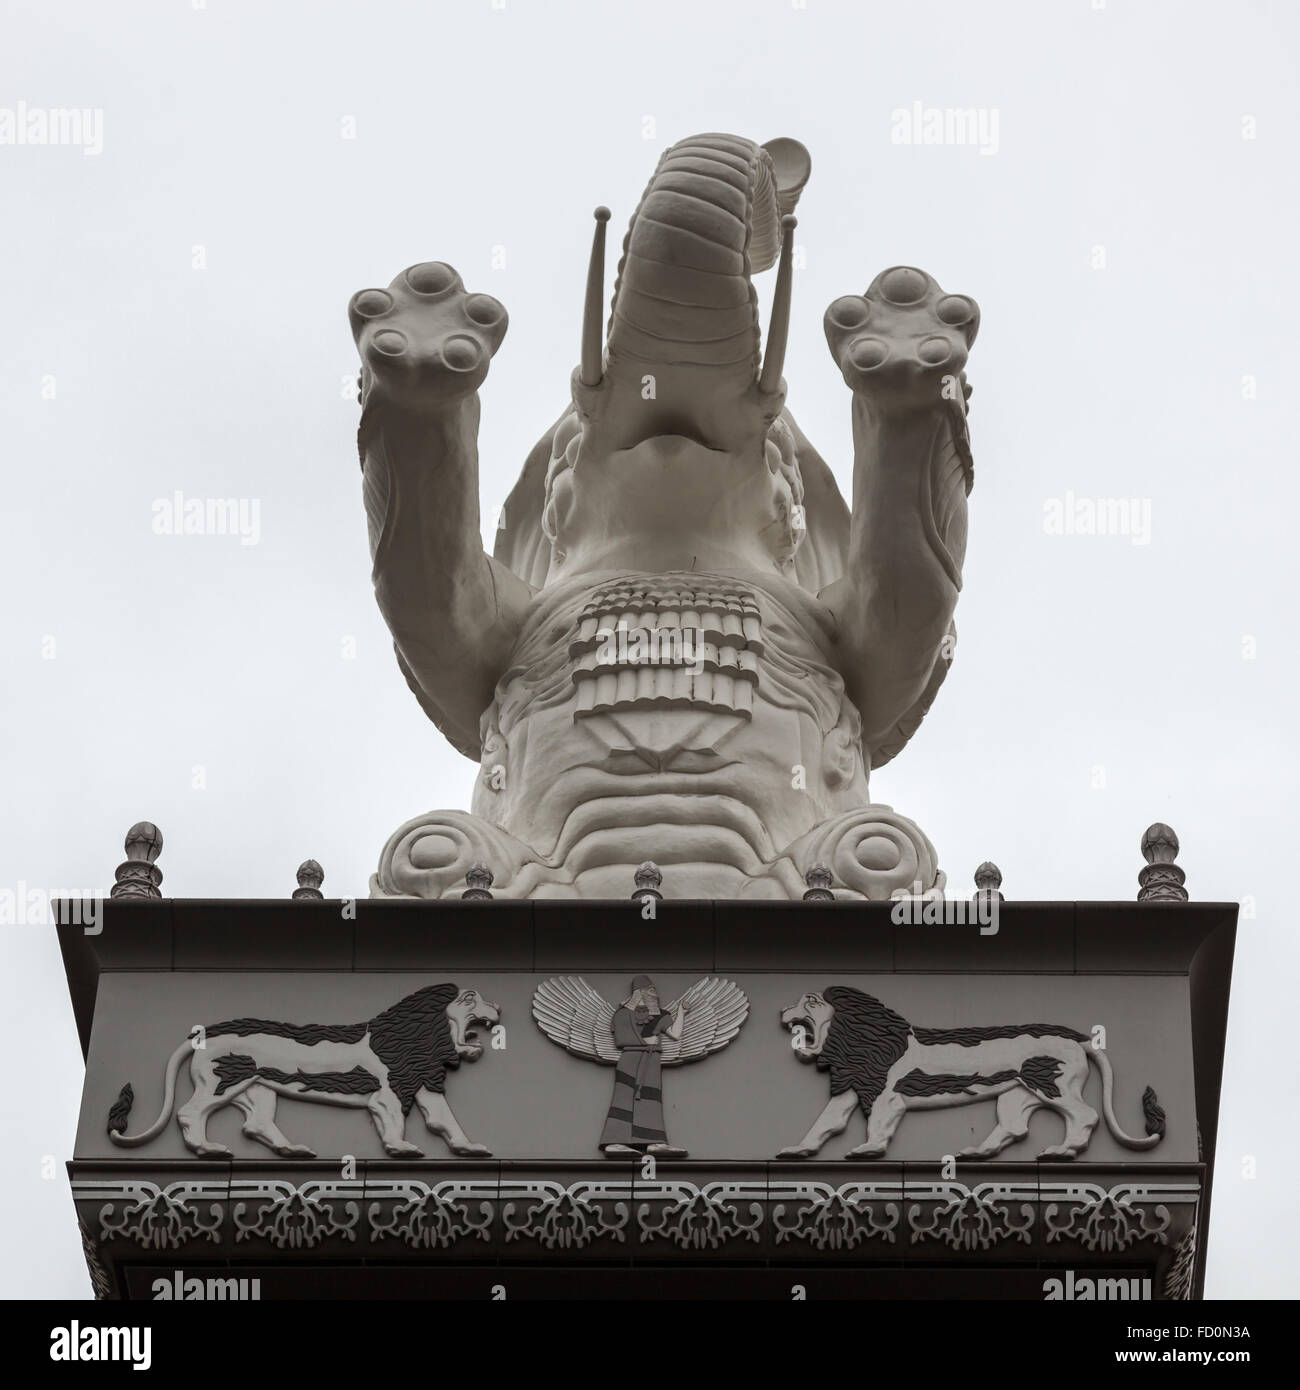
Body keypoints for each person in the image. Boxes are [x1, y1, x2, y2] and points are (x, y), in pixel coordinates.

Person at [599, 976, 690, 1156]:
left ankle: (654, 1141)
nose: (654, 994)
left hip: (651, 1059)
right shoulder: (623, 1014)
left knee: (651, 1099)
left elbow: (675, 1034)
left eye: (654, 990)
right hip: (630, 1058)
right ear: (638, 992)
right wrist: (643, 1041)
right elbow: (620, 1038)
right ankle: (614, 1141)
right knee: (623, 1097)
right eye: (649, 990)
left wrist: (681, 1012)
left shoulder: (661, 1015)